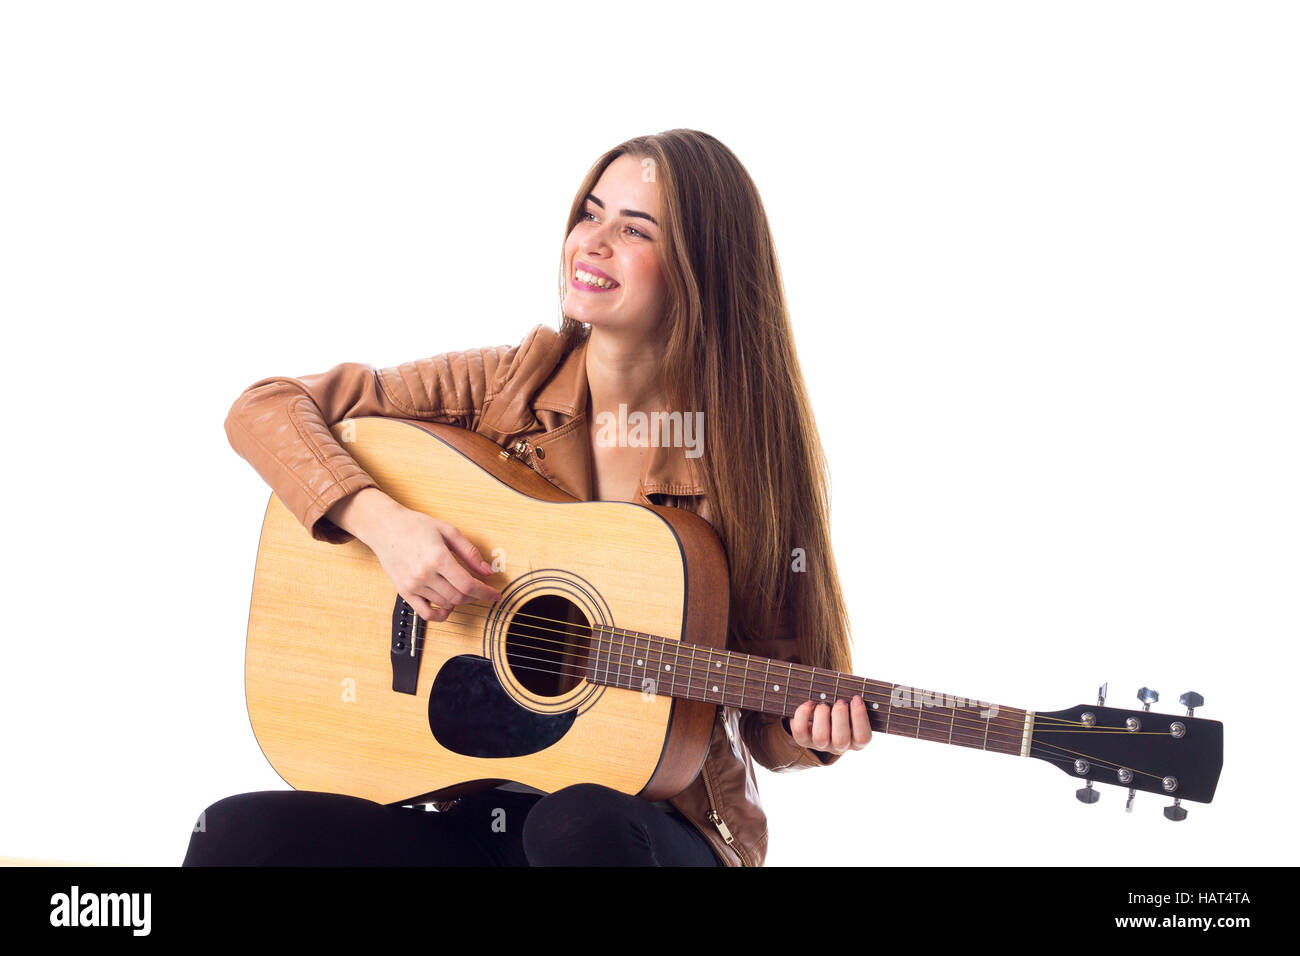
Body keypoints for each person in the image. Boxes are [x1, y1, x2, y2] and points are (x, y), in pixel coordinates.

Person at [184, 129, 870, 867]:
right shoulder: (501, 386)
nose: (593, 243)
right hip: (467, 798)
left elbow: (770, 723)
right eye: (590, 214)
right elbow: (267, 406)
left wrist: (807, 733)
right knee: (235, 836)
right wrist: (387, 527)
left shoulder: (751, 465)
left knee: (576, 824)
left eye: (634, 229)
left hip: (649, 828)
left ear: (703, 268)